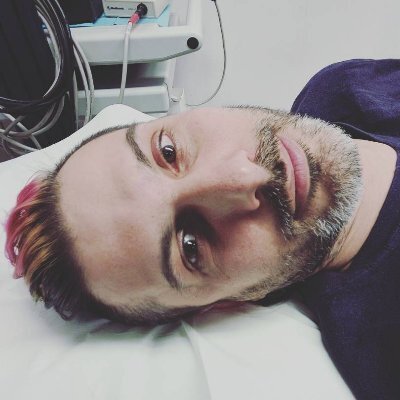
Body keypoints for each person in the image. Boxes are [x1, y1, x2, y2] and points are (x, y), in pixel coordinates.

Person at [4, 59, 400, 399]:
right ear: (225, 303)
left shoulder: (338, 90)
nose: (245, 176)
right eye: (190, 246)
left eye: (168, 152)